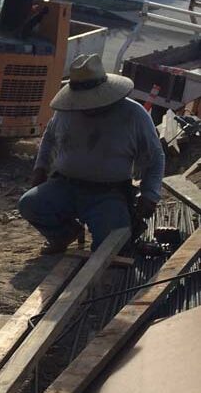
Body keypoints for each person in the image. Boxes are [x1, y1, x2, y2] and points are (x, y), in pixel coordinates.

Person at [18, 53, 165, 253]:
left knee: (110, 248)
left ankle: (116, 229)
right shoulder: (67, 110)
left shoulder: (133, 115)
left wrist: (150, 194)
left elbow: (155, 158)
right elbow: (50, 138)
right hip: (65, 186)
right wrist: (40, 168)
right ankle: (64, 234)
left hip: (107, 193)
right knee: (29, 204)